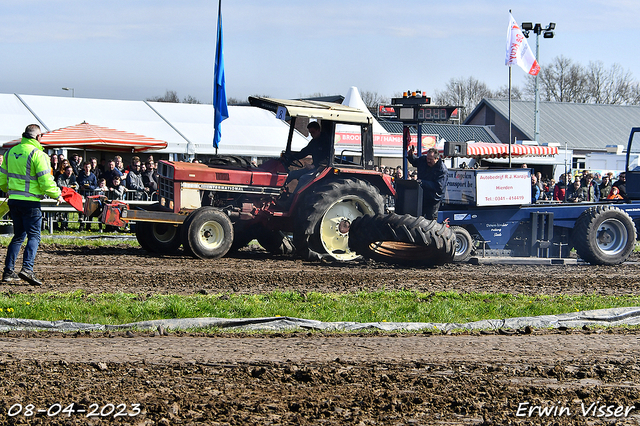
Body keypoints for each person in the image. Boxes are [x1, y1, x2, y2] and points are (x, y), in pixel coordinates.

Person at [0, 124, 63, 285]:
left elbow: (2, 180)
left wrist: (8, 190)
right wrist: (57, 194)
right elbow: (45, 181)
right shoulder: (38, 154)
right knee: (34, 236)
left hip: (14, 201)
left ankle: (8, 271)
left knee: (18, 236)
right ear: (37, 137)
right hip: (31, 203)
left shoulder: (10, 152)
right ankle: (27, 269)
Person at [282, 121, 331, 194]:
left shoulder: (327, 142)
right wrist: (291, 158)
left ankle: (292, 200)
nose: (311, 135)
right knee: (291, 174)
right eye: (310, 133)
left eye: (313, 132)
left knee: (303, 178)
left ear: (318, 130)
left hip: (321, 169)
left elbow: (327, 158)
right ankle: (279, 192)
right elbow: (304, 152)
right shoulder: (314, 142)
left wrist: (314, 165)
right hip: (314, 168)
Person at [407, 146, 448, 220]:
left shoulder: (442, 170)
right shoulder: (423, 160)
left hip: (433, 199)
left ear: (437, 159)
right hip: (422, 195)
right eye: (427, 158)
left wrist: (423, 182)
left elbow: (439, 186)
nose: (428, 161)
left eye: (431, 159)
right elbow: (415, 161)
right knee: (418, 217)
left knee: (430, 220)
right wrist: (411, 155)